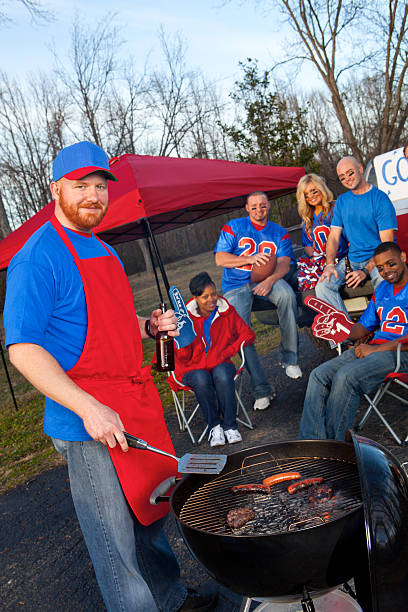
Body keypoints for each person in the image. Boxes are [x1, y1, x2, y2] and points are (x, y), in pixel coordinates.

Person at [3, 141, 215, 612]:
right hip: (88, 417)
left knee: (150, 510)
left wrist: (148, 326)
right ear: (55, 188)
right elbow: (22, 348)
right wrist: (88, 409)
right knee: (113, 539)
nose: (94, 196)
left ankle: (171, 596)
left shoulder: (102, 247)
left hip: (132, 403)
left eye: (100, 186)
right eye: (81, 186)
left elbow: (103, 319)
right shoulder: (37, 257)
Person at [299, 241, 408, 441]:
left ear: (403, 257)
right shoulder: (382, 289)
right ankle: (312, 443)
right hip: (374, 350)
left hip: (400, 353)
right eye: (381, 268)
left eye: (391, 264)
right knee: (318, 374)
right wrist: (340, 328)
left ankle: (335, 447)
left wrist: (376, 350)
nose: (386, 271)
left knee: (346, 376)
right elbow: (362, 329)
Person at [214, 191, 302, 411]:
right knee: (240, 332)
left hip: (266, 278)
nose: (258, 210)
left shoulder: (279, 232)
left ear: (269, 205)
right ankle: (262, 389)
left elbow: (283, 263)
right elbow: (220, 258)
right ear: (246, 208)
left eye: (262, 206)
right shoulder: (233, 227)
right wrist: (249, 259)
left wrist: (271, 280)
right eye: (254, 207)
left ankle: (290, 358)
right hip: (236, 283)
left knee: (287, 295)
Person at [171, 272, 256, 447]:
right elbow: (180, 357)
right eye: (205, 296)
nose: (212, 300)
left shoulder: (226, 311)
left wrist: (227, 351)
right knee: (202, 378)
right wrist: (184, 341)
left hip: (220, 363)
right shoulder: (184, 319)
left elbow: (248, 334)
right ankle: (215, 427)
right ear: (195, 298)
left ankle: (230, 426)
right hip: (192, 369)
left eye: (214, 294)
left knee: (223, 374)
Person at [316, 156, 397, 314]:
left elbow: (386, 246)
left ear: (360, 169)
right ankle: (344, 335)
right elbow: (333, 237)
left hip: (378, 259)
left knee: (384, 279)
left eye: (350, 173)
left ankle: (388, 331)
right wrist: (330, 264)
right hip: (352, 260)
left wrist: (365, 271)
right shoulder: (342, 202)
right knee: (323, 286)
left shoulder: (380, 199)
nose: (347, 178)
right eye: (342, 177)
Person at [296, 173, 348, 291]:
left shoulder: (336, 208)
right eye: (306, 194)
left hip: (342, 258)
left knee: (324, 285)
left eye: (314, 191)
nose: (311, 196)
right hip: (321, 262)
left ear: (321, 188)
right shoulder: (307, 219)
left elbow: (350, 238)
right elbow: (308, 245)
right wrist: (318, 261)